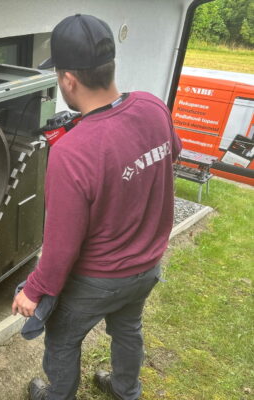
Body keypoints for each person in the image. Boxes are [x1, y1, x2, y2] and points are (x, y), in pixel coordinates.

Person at [11, 14, 182, 400]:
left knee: (62, 340)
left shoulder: (71, 152)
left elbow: (62, 244)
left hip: (97, 279)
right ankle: (126, 390)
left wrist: (33, 292)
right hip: (147, 266)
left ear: (69, 79)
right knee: (128, 329)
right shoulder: (153, 106)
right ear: (109, 65)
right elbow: (171, 153)